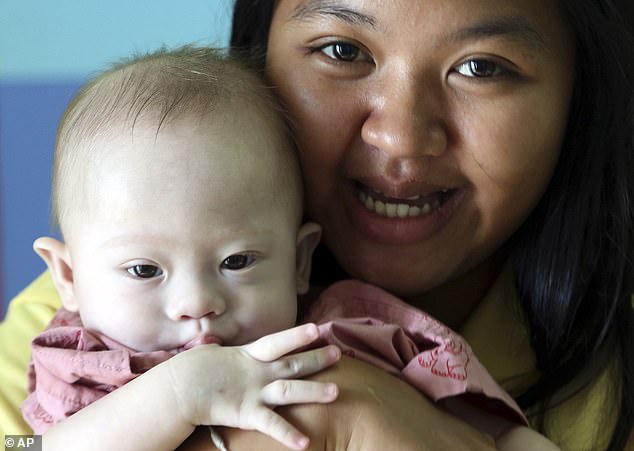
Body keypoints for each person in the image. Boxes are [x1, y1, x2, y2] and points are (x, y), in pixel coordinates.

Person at [1, 0, 633, 449]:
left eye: (482, 67)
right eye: (342, 50)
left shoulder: (374, 331)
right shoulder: (67, 338)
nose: (402, 137)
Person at [18, 45, 341, 450]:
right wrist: (179, 394)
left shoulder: (339, 339)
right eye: (144, 270)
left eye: (236, 261)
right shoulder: (77, 367)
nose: (197, 302)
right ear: (68, 277)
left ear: (299, 261)